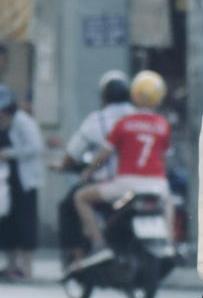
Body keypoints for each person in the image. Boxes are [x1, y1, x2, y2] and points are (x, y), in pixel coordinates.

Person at [73, 69, 172, 255]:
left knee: (81, 197)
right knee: (168, 202)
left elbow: (103, 156)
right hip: (157, 184)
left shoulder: (124, 123)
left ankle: (99, 243)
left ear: (134, 95)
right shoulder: (163, 124)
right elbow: (164, 157)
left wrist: (89, 171)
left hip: (126, 185)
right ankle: (168, 242)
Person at [54, 72, 134, 268]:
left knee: (70, 203)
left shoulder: (98, 120)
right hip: (141, 181)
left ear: (104, 96)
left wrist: (85, 169)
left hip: (111, 184)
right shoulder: (139, 116)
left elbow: (80, 154)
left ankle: (82, 253)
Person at [0, 85, 42, 280]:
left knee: (25, 222)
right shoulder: (2, 124)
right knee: (7, 222)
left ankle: (26, 268)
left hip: (25, 179)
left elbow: (35, 147)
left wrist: (10, 154)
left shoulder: (23, 122)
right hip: (7, 180)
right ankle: (11, 264)